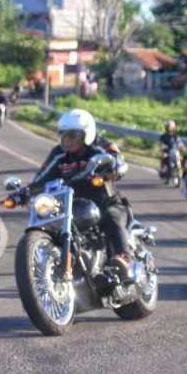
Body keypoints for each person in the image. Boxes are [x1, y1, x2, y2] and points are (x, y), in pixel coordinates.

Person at [27, 109, 132, 278]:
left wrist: (114, 169)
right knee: (54, 226)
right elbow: (41, 178)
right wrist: (25, 192)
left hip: (105, 202)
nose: (67, 140)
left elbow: (118, 160)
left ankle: (123, 257)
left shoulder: (100, 146)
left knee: (111, 216)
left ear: (86, 134)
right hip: (72, 207)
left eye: (73, 135)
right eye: (64, 135)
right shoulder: (59, 154)